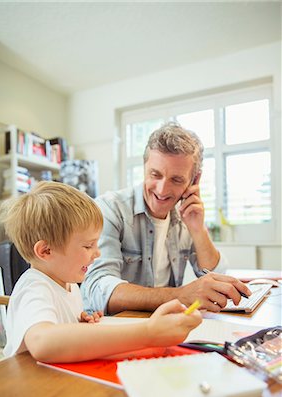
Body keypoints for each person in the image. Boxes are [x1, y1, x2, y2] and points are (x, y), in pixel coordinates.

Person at [0, 181, 201, 363]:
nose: (97, 253)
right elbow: (42, 342)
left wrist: (79, 324)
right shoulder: (35, 287)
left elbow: (60, 331)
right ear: (46, 251)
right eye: (88, 246)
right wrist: (148, 333)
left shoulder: (68, 284)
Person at [82, 122, 251, 315]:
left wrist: (198, 229)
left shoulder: (186, 213)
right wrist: (181, 295)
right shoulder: (109, 209)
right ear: (144, 167)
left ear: (194, 179)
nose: (162, 190)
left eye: (177, 179)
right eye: (155, 174)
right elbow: (98, 290)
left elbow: (219, 279)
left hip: (162, 324)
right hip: (114, 327)